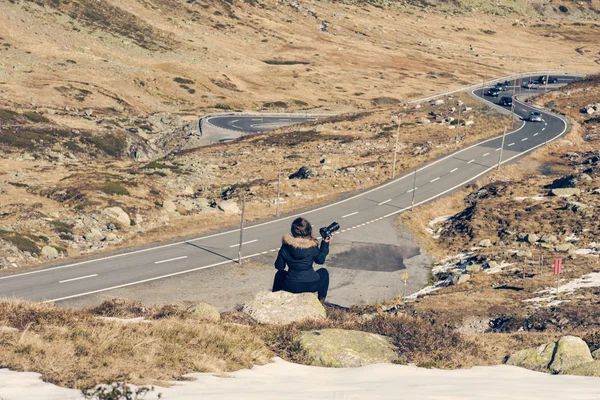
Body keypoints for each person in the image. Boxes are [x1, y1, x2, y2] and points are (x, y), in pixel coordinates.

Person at [272, 217, 330, 301]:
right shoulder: (312, 246)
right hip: (312, 285)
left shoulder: (286, 246)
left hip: (291, 285)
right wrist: (325, 243)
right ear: (309, 230)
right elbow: (320, 261)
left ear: (293, 230)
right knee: (324, 272)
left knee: (279, 274)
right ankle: (321, 300)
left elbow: (279, 266)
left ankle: (275, 299)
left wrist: (282, 253)